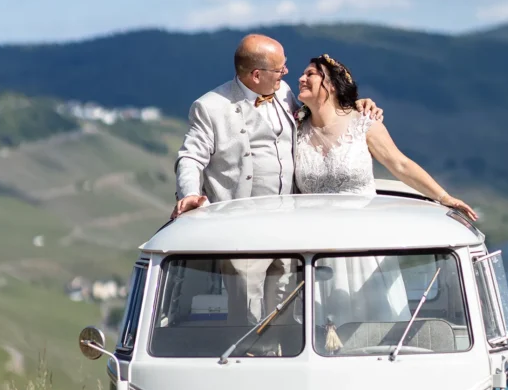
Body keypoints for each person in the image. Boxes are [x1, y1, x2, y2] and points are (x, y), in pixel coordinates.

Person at [171, 35, 382, 325]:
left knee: (291, 312)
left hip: (290, 228)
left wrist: (355, 105)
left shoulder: (283, 93)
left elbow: (323, 110)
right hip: (241, 231)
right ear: (256, 75)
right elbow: (190, 157)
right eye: (280, 69)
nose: (286, 74)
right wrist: (189, 193)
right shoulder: (210, 107)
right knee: (248, 318)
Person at [293, 53, 478, 331]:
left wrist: (444, 197)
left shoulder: (363, 122)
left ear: (330, 85)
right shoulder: (294, 127)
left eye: (310, 74)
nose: (301, 78)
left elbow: (400, 164)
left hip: (362, 246)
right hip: (314, 250)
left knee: (374, 328)